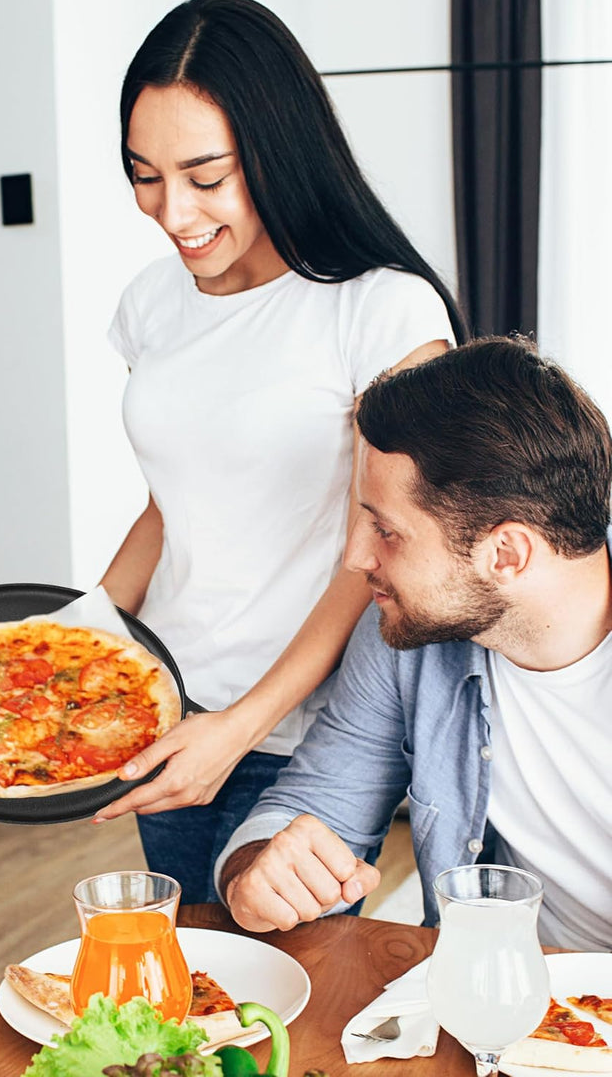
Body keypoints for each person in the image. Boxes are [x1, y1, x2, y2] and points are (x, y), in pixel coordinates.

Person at [93, 0, 467, 903]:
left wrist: (242, 724)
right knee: (200, 993)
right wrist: (85, 632)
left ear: (276, 148)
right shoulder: (154, 302)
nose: (171, 211)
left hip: (312, 730)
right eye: (145, 175)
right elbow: (170, 502)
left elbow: (376, 549)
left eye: (204, 176)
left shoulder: (383, 310)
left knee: (300, 999)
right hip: (171, 699)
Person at [217, 337, 612, 951]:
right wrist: (260, 873)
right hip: (485, 1005)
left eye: (386, 530)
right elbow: (318, 799)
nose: (356, 557)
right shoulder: (412, 633)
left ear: (507, 553)